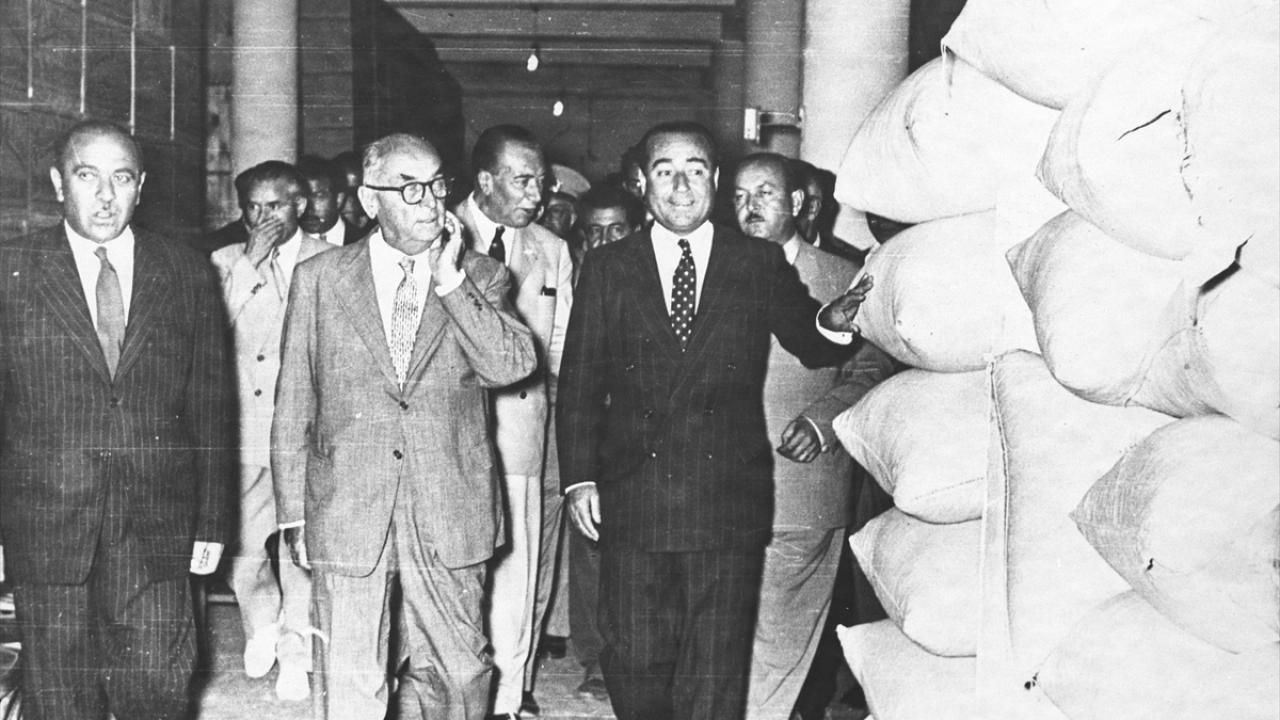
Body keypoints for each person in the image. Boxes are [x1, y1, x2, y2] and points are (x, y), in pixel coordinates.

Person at [556, 121, 869, 720]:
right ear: (642, 182)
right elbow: (580, 383)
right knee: (636, 654)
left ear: (715, 180)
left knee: (715, 664)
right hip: (635, 493)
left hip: (725, 497)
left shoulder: (753, 261)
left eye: (695, 170)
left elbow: (808, 340)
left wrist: (832, 322)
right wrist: (579, 478)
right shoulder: (609, 266)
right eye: (666, 170)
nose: (681, 186)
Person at [272, 132, 537, 719]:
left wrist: (449, 281)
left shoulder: (481, 276)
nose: (431, 201)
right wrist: (293, 512)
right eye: (410, 188)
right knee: (349, 677)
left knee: (458, 673)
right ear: (370, 201)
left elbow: (511, 365)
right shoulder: (320, 278)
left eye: (437, 185)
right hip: (347, 503)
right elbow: (294, 401)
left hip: (448, 502)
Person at [0, 119, 235, 719]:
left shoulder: (184, 271)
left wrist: (212, 520)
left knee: (158, 686)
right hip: (47, 522)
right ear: (59, 183)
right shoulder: (12, 269)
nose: (106, 196)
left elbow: (211, 405)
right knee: (60, 696)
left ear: (141, 186)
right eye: (87, 176)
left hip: (156, 519)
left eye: (122, 178)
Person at [732, 153, 895, 720]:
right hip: (718, 491)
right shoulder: (711, 269)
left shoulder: (842, 278)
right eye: (739, 196)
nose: (749, 207)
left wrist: (821, 421)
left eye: (764, 193)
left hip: (800, 488)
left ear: (798, 202)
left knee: (779, 638)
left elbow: (872, 368)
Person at [452, 125, 574, 720]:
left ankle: (506, 696)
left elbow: (561, 348)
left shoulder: (552, 249)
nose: (537, 193)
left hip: (521, 431)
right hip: (447, 432)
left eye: (541, 181)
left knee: (518, 567)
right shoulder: (435, 232)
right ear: (485, 180)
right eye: (524, 180)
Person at [210, 160, 333, 701]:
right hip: (242, 430)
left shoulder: (332, 260)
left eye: (275, 206)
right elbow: (208, 332)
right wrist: (249, 265)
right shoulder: (224, 262)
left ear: (300, 205)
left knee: (299, 545)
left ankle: (296, 650)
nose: (262, 219)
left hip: (305, 434)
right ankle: (261, 624)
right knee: (242, 548)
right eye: (252, 208)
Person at [297, 154, 363, 246]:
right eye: (300, 198)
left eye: (318, 196)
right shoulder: (284, 246)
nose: (308, 208)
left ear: (339, 199)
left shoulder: (364, 242)